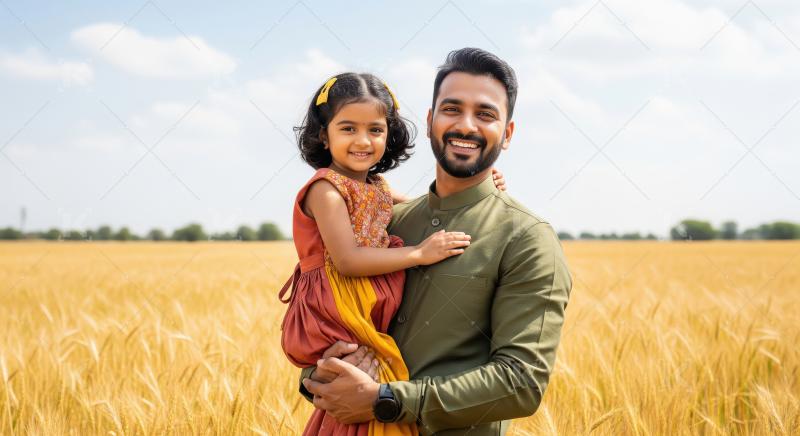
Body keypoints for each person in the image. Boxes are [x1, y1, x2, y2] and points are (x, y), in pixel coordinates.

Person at [298, 48, 572, 435]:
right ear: (429, 122)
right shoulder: (387, 224)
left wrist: (386, 399)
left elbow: (521, 383)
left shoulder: (526, 238)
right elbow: (327, 313)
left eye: (486, 114)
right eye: (451, 109)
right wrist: (322, 371)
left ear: (507, 134)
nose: (466, 125)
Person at [279, 72, 506, 436]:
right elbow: (348, 261)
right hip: (338, 305)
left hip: (364, 303)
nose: (363, 141)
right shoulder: (325, 189)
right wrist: (418, 254)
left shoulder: (375, 186)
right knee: (364, 383)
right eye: (348, 129)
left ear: (390, 133)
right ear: (324, 134)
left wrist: (480, 184)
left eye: (375, 130)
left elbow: (428, 203)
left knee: (370, 386)